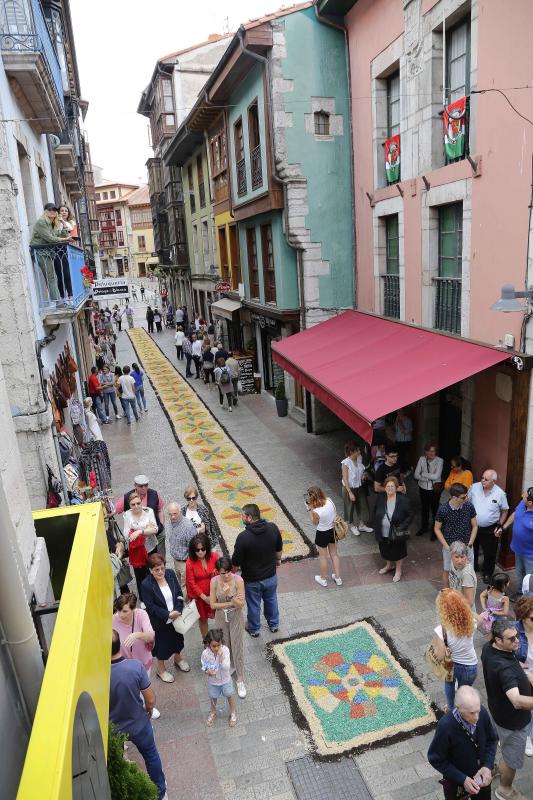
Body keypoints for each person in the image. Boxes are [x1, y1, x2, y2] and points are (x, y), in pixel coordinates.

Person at [109, 630, 167, 800]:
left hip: (114, 729)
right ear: (119, 644)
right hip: (138, 724)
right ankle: (160, 792)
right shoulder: (134, 667)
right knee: (151, 756)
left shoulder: (99, 675)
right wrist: (148, 712)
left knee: (117, 762)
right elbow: (150, 699)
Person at [481, 617, 533, 800]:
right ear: (498, 640)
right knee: (512, 760)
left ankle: (494, 768)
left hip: (497, 711)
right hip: (513, 721)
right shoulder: (503, 668)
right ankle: (505, 789)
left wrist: (523, 673)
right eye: (511, 639)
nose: (517, 641)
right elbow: (517, 701)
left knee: (502, 746)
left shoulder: (489, 648)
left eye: (517, 636)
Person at [427, 685, 497, 800]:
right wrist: (462, 779)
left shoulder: (482, 713)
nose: (477, 717)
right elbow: (436, 759)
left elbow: (491, 740)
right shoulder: (445, 726)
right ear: (458, 708)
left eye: (478, 711)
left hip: (482, 779)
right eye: (472, 713)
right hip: (456, 785)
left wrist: (487, 766)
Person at [232, 503, 283, 637]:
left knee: (254, 605)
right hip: (271, 576)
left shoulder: (243, 537)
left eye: (242, 515)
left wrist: (232, 575)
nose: (241, 518)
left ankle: (254, 630)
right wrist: (277, 561)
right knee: (271, 599)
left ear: (248, 518)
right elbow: (278, 552)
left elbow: (235, 563)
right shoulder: (273, 528)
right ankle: (274, 624)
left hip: (252, 580)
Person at [141, 554, 190, 683]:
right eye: (156, 569)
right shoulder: (146, 585)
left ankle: (178, 659)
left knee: (178, 640)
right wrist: (167, 614)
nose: (160, 572)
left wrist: (178, 610)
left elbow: (179, 593)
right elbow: (150, 607)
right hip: (160, 622)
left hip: (176, 618)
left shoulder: (170, 574)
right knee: (161, 646)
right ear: (151, 570)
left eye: (162, 568)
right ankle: (160, 670)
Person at [433, 588, 478, 709]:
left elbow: (440, 655)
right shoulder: (471, 621)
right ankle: (463, 709)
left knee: (449, 685)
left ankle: (452, 708)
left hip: (453, 666)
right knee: (465, 693)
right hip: (471, 666)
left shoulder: (441, 630)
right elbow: (481, 619)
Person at [210, 556, 246, 699]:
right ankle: (228, 667)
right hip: (221, 616)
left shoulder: (238, 581)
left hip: (236, 616)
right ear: (218, 572)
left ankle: (240, 679)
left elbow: (241, 604)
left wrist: (230, 595)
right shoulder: (214, 582)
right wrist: (230, 604)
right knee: (224, 644)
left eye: (228, 572)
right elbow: (213, 605)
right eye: (222, 573)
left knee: (237, 645)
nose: (225, 575)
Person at [434, 484, 478, 589]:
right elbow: (436, 528)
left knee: (468, 570)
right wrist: (446, 547)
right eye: (463, 497)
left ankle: (467, 592)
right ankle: (446, 592)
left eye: (466, 496)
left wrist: (470, 544)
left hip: (466, 545)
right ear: (454, 497)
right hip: (450, 546)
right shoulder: (443, 509)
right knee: (447, 570)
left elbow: (475, 526)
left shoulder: (469, 506)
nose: (466, 498)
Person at [469, 470, 509, 583]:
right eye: (482, 477)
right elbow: (467, 501)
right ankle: (473, 566)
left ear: (493, 481)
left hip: (490, 528)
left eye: (486, 479)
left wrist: (500, 525)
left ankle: (487, 573)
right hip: (473, 525)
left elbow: (505, 510)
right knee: (472, 548)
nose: (482, 480)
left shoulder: (500, 494)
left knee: (490, 552)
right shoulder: (474, 487)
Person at [30, 203, 73, 302]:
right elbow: (50, 239)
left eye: (54, 210)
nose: (53, 212)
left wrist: (62, 223)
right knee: (51, 277)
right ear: (45, 211)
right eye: (50, 210)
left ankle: (58, 300)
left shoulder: (52, 223)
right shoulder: (42, 222)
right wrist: (65, 238)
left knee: (52, 277)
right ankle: (57, 301)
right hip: (40, 252)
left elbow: (62, 234)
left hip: (48, 253)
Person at [116, 475, 166, 558]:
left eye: (146, 485)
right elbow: (114, 510)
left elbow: (160, 510)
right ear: (135, 485)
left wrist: (161, 525)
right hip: (139, 541)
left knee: (159, 560)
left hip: (157, 533)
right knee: (143, 564)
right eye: (141, 486)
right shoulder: (127, 497)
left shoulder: (154, 494)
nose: (144, 488)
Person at [496, 488, 533, 598]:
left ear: (530, 503)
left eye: (524, 495)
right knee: (519, 573)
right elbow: (515, 514)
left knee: (529, 578)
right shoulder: (523, 503)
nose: (522, 495)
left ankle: (528, 602)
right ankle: (520, 593)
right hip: (518, 549)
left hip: (530, 555)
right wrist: (504, 527)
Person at [123, 490, 158, 604]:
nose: (136, 506)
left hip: (150, 548)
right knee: (140, 576)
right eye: (133, 504)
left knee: (155, 571)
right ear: (129, 505)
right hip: (137, 551)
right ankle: (144, 599)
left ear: (141, 502)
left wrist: (138, 532)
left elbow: (155, 529)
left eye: (138, 503)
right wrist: (146, 530)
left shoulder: (149, 511)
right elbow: (126, 534)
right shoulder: (127, 515)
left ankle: (156, 595)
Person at [374, 476, 411, 582]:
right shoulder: (380, 498)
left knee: (398, 551)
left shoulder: (403, 500)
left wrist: (402, 526)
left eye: (392, 486)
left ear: (396, 488)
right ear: (385, 487)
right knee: (385, 548)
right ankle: (389, 565)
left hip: (396, 531)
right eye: (388, 486)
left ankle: (398, 570)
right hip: (382, 531)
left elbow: (410, 516)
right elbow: (375, 510)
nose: (390, 488)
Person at [305, 485, 342, 588]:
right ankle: (338, 578)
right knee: (334, 554)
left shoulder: (316, 511)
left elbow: (314, 522)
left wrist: (309, 510)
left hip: (322, 533)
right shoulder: (330, 501)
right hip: (332, 530)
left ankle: (323, 579)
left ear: (311, 497)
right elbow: (334, 513)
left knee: (323, 558)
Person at [186, 533, 220, 639]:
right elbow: (192, 583)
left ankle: (219, 639)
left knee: (220, 617)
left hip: (215, 594)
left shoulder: (215, 557)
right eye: (197, 550)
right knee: (203, 619)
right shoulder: (190, 562)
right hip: (200, 598)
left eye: (203, 549)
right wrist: (205, 598)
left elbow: (221, 574)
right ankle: (206, 641)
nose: (200, 552)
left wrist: (213, 596)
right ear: (193, 550)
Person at [201, 628, 237, 728]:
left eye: (218, 645)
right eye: (213, 646)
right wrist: (207, 671)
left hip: (225, 680)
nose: (216, 648)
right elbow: (204, 665)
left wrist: (221, 660)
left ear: (221, 643)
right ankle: (213, 712)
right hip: (213, 681)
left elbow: (227, 667)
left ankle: (233, 712)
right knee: (213, 697)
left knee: (230, 695)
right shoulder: (205, 653)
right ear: (208, 644)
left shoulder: (225, 650)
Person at [341, 441, 372, 536]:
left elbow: (360, 471)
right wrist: (350, 492)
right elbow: (345, 479)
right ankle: (352, 526)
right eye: (357, 450)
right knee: (349, 507)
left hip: (359, 486)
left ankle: (362, 525)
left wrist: (363, 476)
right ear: (351, 452)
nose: (359, 452)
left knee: (363, 505)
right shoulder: (345, 463)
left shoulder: (359, 458)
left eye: (359, 450)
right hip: (348, 488)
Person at [515, 595, 533, 757]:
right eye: (532, 619)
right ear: (523, 616)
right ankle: (523, 737)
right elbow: (500, 658)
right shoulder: (513, 632)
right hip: (522, 679)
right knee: (524, 710)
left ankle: (526, 735)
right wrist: (526, 674)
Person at [167, 502, 197, 600]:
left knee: (185, 587)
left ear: (180, 512)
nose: (172, 517)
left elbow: (194, 547)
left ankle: (187, 609)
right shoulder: (172, 522)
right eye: (170, 514)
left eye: (175, 514)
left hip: (185, 562)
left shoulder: (188, 526)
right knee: (180, 584)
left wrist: (190, 564)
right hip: (176, 560)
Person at [414, 443, 444, 538]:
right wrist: (427, 478)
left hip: (434, 489)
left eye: (433, 451)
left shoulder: (440, 461)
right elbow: (415, 475)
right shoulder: (422, 459)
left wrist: (423, 473)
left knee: (435, 510)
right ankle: (424, 527)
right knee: (424, 508)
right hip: (423, 487)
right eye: (429, 451)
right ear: (426, 452)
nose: (431, 453)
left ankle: (435, 530)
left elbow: (436, 476)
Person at [448, 541, 478, 608]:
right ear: (451, 556)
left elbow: (469, 603)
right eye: (456, 557)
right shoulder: (452, 563)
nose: (459, 561)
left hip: (463, 612)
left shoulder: (467, 575)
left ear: (466, 556)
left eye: (462, 557)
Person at [394, 408, 413, 474]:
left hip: (405, 441)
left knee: (404, 456)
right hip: (398, 441)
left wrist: (400, 423)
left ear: (403, 412)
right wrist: (397, 422)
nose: (398, 413)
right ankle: (403, 469)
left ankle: (405, 470)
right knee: (399, 456)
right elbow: (395, 429)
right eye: (397, 411)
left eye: (400, 411)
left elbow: (405, 432)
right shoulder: (397, 419)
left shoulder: (408, 420)